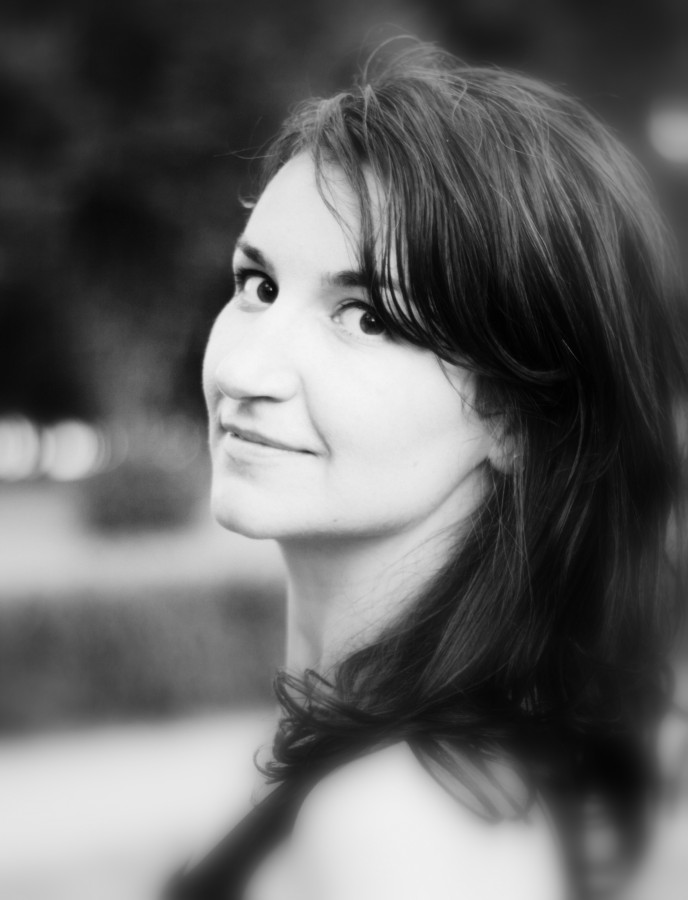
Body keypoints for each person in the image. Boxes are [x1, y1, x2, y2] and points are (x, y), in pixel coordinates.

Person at [171, 40, 687, 900]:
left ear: (514, 416)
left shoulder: (390, 830)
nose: (244, 370)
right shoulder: (425, 764)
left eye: (367, 316)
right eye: (257, 286)